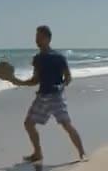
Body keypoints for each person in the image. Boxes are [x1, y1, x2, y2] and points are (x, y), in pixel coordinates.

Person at [6, 25, 86, 163]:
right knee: (28, 124)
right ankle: (38, 153)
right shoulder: (37, 59)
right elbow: (35, 80)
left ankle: (82, 153)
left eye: (40, 37)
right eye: (36, 37)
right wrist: (18, 81)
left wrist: (62, 86)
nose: (37, 40)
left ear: (48, 39)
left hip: (56, 96)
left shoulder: (59, 57)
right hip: (42, 96)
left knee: (66, 124)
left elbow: (68, 77)